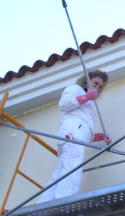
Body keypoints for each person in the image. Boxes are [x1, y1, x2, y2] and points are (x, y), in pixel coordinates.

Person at [38, 70, 111, 203]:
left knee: (62, 169)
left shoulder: (89, 104)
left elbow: (84, 128)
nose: (97, 87)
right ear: (86, 81)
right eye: (95, 83)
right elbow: (64, 104)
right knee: (73, 165)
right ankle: (64, 201)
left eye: (100, 86)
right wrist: (86, 97)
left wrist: (99, 137)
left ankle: (45, 201)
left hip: (76, 132)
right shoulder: (75, 89)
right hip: (72, 131)